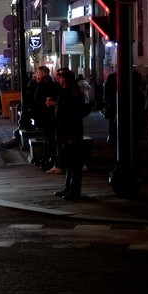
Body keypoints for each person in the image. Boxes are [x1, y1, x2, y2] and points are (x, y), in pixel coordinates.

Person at [48, 69, 89, 200]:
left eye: (60, 77)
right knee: (68, 160)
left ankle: (74, 190)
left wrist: (71, 135)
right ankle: (68, 187)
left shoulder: (73, 92)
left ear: (65, 79)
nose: (58, 79)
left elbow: (75, 114)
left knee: (74, 163)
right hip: (64, 131)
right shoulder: (66, 91)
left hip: (71, 132)